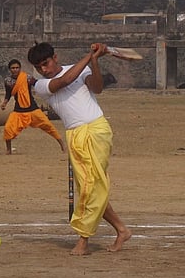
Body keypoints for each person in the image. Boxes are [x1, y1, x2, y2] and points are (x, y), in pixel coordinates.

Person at [27, 42, 131, 255]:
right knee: (91, 187)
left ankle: (83, 240)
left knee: (90, 186)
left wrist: (94, 60)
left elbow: (98, 88)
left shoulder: (81, 68)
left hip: (97, 129)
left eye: (45, 63)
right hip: (75, 134)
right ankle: (121, 229)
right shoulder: (40, 85)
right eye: (39, 67)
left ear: (55, 57)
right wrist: (91, 55)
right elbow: (65, 81)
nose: (43, 70)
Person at [1, 59, 65, 155]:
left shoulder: (27, 78)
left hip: (32, 109)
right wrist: (4, 103)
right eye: (13, 68)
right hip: (18, 110)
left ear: (20, 68)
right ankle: (8, 150)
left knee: (49, 126)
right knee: (8, 129)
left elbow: (38, 85)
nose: (15, 70)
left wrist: (51, 87)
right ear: (10, 69)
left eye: (17, 68)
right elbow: (8, 94)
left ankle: (62, 145)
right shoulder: (8, 81)